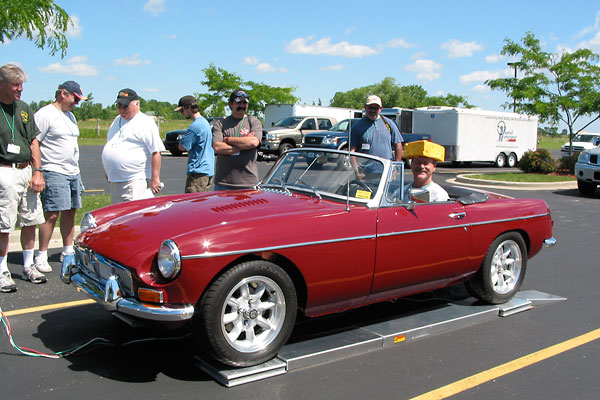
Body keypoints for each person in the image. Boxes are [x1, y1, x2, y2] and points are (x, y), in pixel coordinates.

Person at [0, 64, 47, 292]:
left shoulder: (24, 108)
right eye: (16, 85)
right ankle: (2, 270)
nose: (20, 89)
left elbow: (33, 141)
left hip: (27, 170)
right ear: (2, 84)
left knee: (30, 219)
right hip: (4, 170)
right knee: (4, 223)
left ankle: (29, 266)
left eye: (22, 85)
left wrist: (38, 171)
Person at [33, 81, 87, 273]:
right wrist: (38, 171)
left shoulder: (70, 116)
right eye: (75, 98)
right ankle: (41, 254)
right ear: (63, 94)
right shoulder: (45, 114)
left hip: (73, 171)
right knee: (52, 213)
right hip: (53, 170)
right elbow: (35, 143)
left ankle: (67, 249)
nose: (77, 103)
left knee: (71, 210)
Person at [101, 88, 165, 204]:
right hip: (116, 180)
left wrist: (155, 179)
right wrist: (109, 170)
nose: (121, 110)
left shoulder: (145, 122)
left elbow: (156, 152)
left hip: (133, 180)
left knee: (132, 215)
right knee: (117, 216)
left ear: (137, 104)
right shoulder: (117, 120)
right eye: (119, 106)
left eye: (125, 106)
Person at [212, 89, 262, 190]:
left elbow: (253, 142)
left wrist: (227, 140)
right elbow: (217, 147)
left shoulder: (253, 122)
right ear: (231, 104)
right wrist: (244, 144)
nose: (242, 106)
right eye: (239, 102)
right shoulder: (220, 124)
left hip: (248, 184)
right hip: (223, 183)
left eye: (245, 103)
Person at [174, 95, 214, 192]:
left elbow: (182, 146)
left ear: (188, 107)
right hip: (207, 171)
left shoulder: (195, 126)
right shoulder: (205, 122)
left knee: (193, 204)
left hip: (197, 173)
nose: (182, 113)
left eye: (182, 110)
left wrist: (182, 140)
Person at [350, 95, 404, 161]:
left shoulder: (389, 124)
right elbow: (352, 151)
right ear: (365, 107)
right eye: (370, 107)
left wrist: (396, 167)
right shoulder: (357, 126)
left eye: (376, 108)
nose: (373, 110)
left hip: (386, 169)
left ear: (380, 109)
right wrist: (356, 170)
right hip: (364, 170)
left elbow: (398, 145)